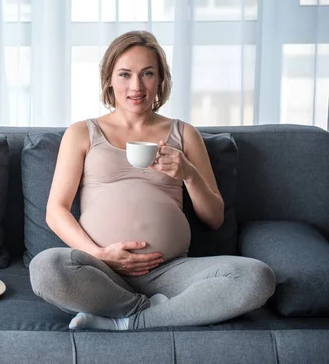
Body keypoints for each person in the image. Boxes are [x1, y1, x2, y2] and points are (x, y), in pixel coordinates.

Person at [29, 30, 276, 330]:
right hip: (101, 269)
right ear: (108, 78)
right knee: (46, 268)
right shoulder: (82, 133)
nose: (136, 86)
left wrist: (188, 174)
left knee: (257, 277)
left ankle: (126, 321)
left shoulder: (184, 134)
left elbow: (214, 218)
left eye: (147, 73)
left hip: (170, 271)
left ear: (160, 79)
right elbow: (56, 210)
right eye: (124, 74)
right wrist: (100, 254)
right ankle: (151, 312)